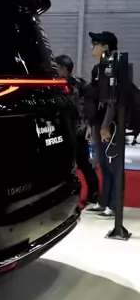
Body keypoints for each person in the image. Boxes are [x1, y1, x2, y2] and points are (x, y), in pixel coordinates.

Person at [55, 53, 98, 206]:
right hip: (63, 131)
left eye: (57, 67)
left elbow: (84, 108)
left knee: (83, 164)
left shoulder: (74, 86)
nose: (55, 70)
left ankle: (93, 194)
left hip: (75, 132)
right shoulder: (58, 84)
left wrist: (87, 126)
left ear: (65, 69)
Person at [85, 31, 119, 217]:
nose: (92, 46)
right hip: (98, 120)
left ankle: (114, 205)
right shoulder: (97, 69)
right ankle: (103, 201)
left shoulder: (114, 68)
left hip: (110, 123)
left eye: (95, 43)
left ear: (105, 46)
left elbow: (112, 99)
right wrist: (92, 125)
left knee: (113, 165)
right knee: (103, 165)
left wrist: (106, 125)